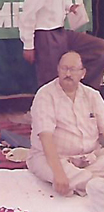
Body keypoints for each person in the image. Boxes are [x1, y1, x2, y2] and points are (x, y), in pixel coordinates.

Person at [27, 51, 104, 199]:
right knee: (52, 168)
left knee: (86, 171)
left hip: (90, 158)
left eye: (73, 69)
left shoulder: (92, 95)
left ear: (83, 73)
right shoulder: (45, 95)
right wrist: (59, 173)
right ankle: (94, 184)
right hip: (54, 158)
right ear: (58, 69)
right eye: (64, 68)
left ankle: (85, 183)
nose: (68, 73)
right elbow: (46, 137)